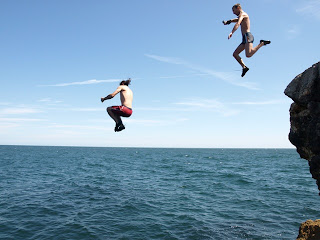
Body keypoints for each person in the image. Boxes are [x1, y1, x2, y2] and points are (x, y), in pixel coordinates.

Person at [223, 3, 271, 77]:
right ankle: (244, 67)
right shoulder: (241, 16)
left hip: (248, 36)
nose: (233, 12)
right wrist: (228, 21)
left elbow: (238, 23)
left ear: (238, 8)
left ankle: (261, 43)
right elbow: (236, 20)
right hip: (244, 39)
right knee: (235, 54)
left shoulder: (243, 14)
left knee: (248, 54)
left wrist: (232, 32)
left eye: (234, 10)